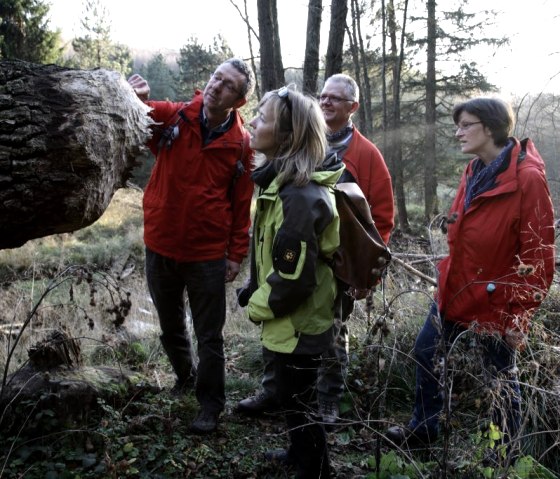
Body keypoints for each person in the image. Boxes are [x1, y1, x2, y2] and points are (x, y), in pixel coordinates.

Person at [385, 97, 555, 453]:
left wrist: (518, 316)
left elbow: (538, 256)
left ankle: (504, 455)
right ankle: (424, 429)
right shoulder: (474, 170)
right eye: (457, 125)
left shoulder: (527, 178)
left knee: (500, 380)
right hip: (456, 288)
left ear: (490, 128)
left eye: (466, 125)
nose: (458, 132)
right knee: (425, 351)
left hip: (496, 303)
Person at [237, 73, 394, 424]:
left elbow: (378, 217)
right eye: (323, 95)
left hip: (332, 270)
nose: (327, 102)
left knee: (330, 336)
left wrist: (361, 268)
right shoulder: (280, 168)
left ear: (352, 107)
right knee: (286, 334)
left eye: (336, 98)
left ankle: (326, 400)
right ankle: (277, 390)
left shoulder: (365, 154)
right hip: (297, 272)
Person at [127, 58, 255, 435]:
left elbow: (241, 204)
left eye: (228, 85)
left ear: (239, 100)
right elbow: (140, 112)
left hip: (207, 254)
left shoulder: (241, 145)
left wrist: (235, 256)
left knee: (209, 335)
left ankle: (210, 405)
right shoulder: (175, 117)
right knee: (170, 327)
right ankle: (185, 377)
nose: (217, 86)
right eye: (216, 77)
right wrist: (139, 97)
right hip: (161, 244)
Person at [237, 86, 344, 478]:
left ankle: (315, 469)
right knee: (291, 395)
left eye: (262, 118)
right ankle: (300, 455)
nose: (252, 122)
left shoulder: (298, 197)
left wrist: (257, 306)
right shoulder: (281, 184)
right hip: (292, 319)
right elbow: (273, 252)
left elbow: (292, 280)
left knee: (299, 400)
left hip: (300, 320)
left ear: (286, 136)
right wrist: (255, 286)